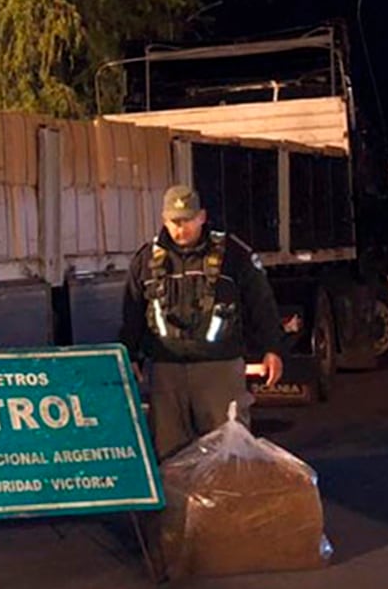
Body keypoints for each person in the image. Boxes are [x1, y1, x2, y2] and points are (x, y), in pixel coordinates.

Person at [120, 184, 286, 461]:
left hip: (219, 369)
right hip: (167, 371)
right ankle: (178, 506)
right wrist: (130, 354)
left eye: (187, 221)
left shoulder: (233, 256)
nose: (180, 228)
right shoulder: (146, 260)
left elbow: (262, 303)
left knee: (228, 454)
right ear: (164, 219)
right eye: (174, 221)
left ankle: (229, 505)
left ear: (202, 217)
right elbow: (132, 311)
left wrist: (273, 349)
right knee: (170, 456)